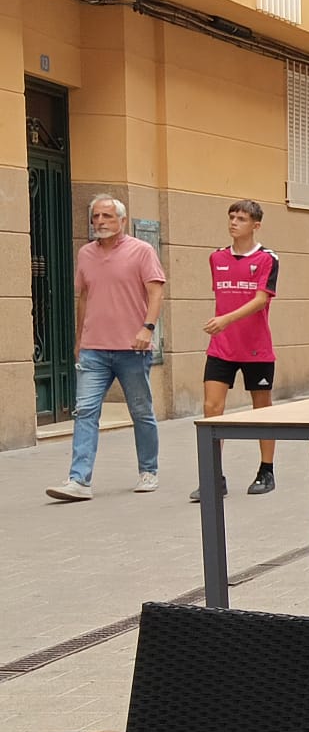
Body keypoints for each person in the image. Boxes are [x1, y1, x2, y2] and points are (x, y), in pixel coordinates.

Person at [47, 196, 163, 502]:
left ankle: (148, 471)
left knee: (141, 412)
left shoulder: (142, 251)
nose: (100, 221)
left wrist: (147, 329)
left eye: (107, 216)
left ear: (122, 220)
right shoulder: (86, 254)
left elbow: (155, 293)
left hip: (132, 349)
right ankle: (79, 480)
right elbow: (84, 298)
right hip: (94, 350)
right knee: (85, 411)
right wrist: (78, 339)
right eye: (96, 216)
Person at [189, 199, 281, 501]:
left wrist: (225, 320)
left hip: (256, 349)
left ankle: (266, 470)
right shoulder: (216, 257)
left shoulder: (268, 259)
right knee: (212, 408)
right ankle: (214, 475)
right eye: (231, 217)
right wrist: (223, 326)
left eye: (241, 219)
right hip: (221, 348)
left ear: (255, 225)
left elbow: (260, 300)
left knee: (262, 410)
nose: (234, 223)